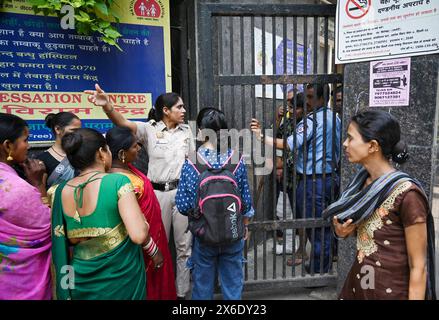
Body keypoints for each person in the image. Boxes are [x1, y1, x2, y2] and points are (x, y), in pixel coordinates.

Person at [85, 84, 194, 299]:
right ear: (166, 110)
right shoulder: (149, 129)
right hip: (157, 194)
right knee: (155, 242)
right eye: (179, 107)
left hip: (181, 193)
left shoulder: (187, 131)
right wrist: (108, 107)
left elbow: (191, 163)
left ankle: (181, 294)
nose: (183, 111)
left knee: (184, 248)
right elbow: (123, 123)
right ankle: (155, 291)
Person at [324, 110, 436, 300]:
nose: (345, 144)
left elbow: (418, 266)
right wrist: (345, 231)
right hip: (359, 285)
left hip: (390, 291)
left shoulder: (407, 195)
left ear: (373, 146)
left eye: (350, 138)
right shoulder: (361, 184)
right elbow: (370, 233)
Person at [51, 128, 157, 300]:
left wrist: (66, 289)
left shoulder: (59, 191)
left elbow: (60, 248)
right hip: (120, 279)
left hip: (80, 279)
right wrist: (143, 222)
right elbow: (138, 235)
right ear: (101, 153)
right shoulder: (117, 181)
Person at [251, 83, 341, 273]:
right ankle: (322, 266)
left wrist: (261, 137)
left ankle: (318, 271)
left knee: (315, 228)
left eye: (310, 97)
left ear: (322, 99)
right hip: (330, 178)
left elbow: (290, 144)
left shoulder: (312, 121)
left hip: (312, 181)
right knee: (324, 226)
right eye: (306, 98)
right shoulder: (336, 118)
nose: (307, 102)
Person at [176, 107, 254, 300]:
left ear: (202, 132)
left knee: (202, 287)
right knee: (233, 285)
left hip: (204, 235)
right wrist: (245, 226)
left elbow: (183, 205)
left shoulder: (192, 162)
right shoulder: (236, 159)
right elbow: (245, 202)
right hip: (233, 233)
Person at [106, 126, 177, 300]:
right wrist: (153, 251)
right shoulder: (124, 182)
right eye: (134, 146)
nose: (138, 148)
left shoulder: (126, 171)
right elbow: (136, 223)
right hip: (141, 249)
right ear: (122, 153)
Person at [0, 113, 52, 299]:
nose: (28, 146)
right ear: (7, 146)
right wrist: (38, 185)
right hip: (20, 286)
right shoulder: (17, 189)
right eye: (25, 140)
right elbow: (51, 228)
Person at [37, 112, 81, 188]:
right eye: (73, 130)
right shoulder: (42, 160)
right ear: (57, 129)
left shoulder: (82, 154)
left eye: (79, 130)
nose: (78, 134)